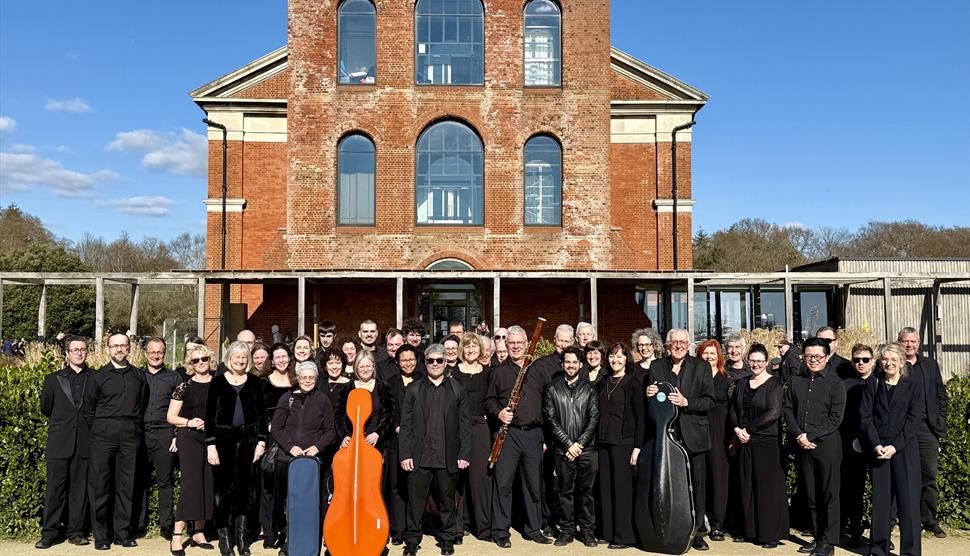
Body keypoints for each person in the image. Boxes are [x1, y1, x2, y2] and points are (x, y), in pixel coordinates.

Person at [399, 344, 472, 556]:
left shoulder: (457, 388)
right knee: (415, 501)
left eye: (439, 360)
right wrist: (405, 454)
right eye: (431, 360)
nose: (435, 364)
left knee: (447, 501)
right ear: (425, 362)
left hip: (447, 456)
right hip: (419, 456)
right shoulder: (414, 388)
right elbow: (406, 426)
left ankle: (447, 538)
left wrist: (464, 454)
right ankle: (412, 539)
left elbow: (465, 425)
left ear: (446, 362)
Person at [646, 328, 714, 551]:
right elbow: (653, 403)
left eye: (682, 342)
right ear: (667, 345)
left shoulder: (702, 366)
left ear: (688, 345)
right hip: (665, 437)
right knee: (668, 484)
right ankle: (672, 528)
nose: (678, 346)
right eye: (674, 342)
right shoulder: (656, 367)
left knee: (697, 484)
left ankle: (697, 533)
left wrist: (687, 402)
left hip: (693, 436)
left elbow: (709, 402)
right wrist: (648, 394)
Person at [484, 325, 552, 548]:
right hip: (509, 435)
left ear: (526, 344)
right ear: (505, 344)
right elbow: (489, 401)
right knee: (503, 484)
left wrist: (545, 438)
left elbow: (547, 403)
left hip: (533, 435)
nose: (515, 346)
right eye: (511, 343)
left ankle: (533, 528)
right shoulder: (498, 372)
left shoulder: (538, 369)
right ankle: (500, 530)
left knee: (533, 485)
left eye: (519, 343)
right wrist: (499, 412)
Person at [83, 332, 149, 550]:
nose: (120, 349)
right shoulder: (97, 377)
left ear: (129, 348)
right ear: (108, 349)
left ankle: (122, 533)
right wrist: (103, 429)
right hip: (103, 434)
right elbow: (88, 410)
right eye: (115, 346)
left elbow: (143, 403)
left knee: (127, 486)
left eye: (123, 345)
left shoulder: (139, 376)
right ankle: (101, 536)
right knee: (100, 486)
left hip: (131, 433)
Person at [782, 337, 846, 556]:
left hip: (826, 445)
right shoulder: (795, 380)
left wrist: (812, 435)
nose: (813, 360)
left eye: (818, 356)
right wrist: (799, 435)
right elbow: (787, 409)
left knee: (829, 493)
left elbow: (835, 417)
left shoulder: (835, 383)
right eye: (809, 356)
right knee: (810, 493)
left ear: (827, 357)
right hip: (802, 444)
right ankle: (817, 536)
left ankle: (828, 542)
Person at [861, 342, 924, 556]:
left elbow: (914, 419)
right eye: (885, 359)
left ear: (902, 362)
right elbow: (866, 417)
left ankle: (911, 551)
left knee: (908, 503)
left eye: (894, 359)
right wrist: (877, 444)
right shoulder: (873, 383)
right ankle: (878, 549)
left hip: (904, 449)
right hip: (878, 449)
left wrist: (895, 446)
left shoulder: (913, 384)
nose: (889, 363)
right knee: (880, 502)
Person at [206, 341, 267, 556]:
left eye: (244, 357)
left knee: (244, 492)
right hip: (222, 441)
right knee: (222, 493)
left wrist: (261, 441)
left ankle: (241, 541)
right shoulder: (217, 383)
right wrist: (210, 444)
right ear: (229, 358)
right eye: (236, 357)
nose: (240, 361)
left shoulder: (255, 382)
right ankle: (224, 541)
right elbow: (209, 416)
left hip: (248, 441)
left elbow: (261, 415)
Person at [272, 361, 337, 556]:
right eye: (303, 377)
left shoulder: (323, 400)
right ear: (297, 378)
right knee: (290, 504)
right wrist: (291, 447)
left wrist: (316, 447)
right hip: (289, 460)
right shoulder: (287, 398)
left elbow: (330, 431)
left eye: (311, 377)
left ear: (316, 379)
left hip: (315, 462)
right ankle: (289, 544)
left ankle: (314, 544)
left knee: (316, 505)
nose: (307, 381)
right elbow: (276, 428)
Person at [729, 344, 788, 548]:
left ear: (766, 362)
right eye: (752, 360)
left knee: (766, 489)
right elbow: (734, 410)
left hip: (765, 442)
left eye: (760, 361)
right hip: (744, 441)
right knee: (746, 486)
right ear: (748, 361)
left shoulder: (774, 384)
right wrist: (737, 429)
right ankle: (749, 530)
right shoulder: (741, 383)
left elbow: (773, 413)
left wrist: (749, 430)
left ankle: (770, 534)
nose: (755, 364)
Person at [37, 335, 93, 549]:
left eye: (83, 349)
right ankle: (49, 533)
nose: (79, 352)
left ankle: (76, 532)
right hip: (59, 442)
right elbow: (46, 408)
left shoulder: (95, 378)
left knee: (80, 491)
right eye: (75, 349)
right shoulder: (53, 379)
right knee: (54, 490)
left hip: (85, 443)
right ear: (67, 353)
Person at [543, 346, 599, 547]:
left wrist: (580, 444)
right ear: (562, 364)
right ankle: (566, 531)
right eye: (568, 362)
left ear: (581, 364)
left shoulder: (590, 389)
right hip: (562, 450)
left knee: (586, 492)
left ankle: (587, 532)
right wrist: (568, 444)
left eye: (575, 362)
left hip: (587, 450)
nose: (571, 365)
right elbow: (550, 419)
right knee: (564, 492)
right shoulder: (552, 389)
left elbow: (594, 418)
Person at [898, 326, 948, 538]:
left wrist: (940, 422)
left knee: (929, 476)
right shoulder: (893, 364)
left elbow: (940, 395)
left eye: (913, 342)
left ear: (918, 344)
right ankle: (904, 520)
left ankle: (929, 520)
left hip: (927, 429)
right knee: (902, 477)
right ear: (899, 342)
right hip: (901, 430)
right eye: (905, 341)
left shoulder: (929, 365)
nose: (909, 345)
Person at [167, 345, 217, 556]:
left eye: (204, 359)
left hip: (213, 440)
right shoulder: (183, 387)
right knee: (190, 485)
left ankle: (198, 531)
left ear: (210, 360)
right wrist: (189, 422)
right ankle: (177, 535)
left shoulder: (219, 385)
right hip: (189, 439)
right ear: (190, 364)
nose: (200, 363)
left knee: (208, 484)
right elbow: (170, 417)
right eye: (195, 360)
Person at [135, 337, 183, 540]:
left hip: (164, 433)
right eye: (152, 352)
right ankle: (138, 524)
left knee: (165, 481)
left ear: (164, 353)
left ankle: (165, 525)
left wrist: (176, 436)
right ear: (146, 353)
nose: (155, 355)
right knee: (139, 481)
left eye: (160, 352)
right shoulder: (136, 376)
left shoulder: (174, 378)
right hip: (140, 434)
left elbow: (183, 409)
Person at [597, 342, 643, 549]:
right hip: (604, 441)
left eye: (620, 356)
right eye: (612, 356)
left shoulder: (633, 383)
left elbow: (641, 418)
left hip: (624, 442)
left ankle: (624, 536)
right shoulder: (603, 381)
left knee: (622, 490)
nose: (615, 360)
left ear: (627, 359)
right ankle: (607, 532)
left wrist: (637, 447)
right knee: (605, 488)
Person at [453, 333, 493, 540]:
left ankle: (483, 527)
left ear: (480, 350)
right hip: (457, 427)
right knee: (458, 479)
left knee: (479, 478)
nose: (470, 350)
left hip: (480, 426)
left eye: (474, 346)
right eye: (466, 346)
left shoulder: (488, 372)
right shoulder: (453, 373)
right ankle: (459, 525)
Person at [259, 343, 295, 551]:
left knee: (289, 487)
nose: (281, 360)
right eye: (277, 357)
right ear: (271, 360)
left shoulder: (297, 380)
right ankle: (269, 531)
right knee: (270, 488)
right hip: (272, 439)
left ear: (289, 359)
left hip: (292, 440)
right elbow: (258, 410)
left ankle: (285, 529)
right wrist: (268, 426)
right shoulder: (264, 383)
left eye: (284, 356)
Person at [385, 344, 422, 545]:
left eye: (411, 359)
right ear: (398, 362)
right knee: (396, 486)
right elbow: (386, 411)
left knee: (415, 487)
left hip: (419, 443)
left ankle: (413, 528)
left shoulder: (424, 381)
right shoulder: (390, 383)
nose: (407, 363)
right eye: (403, 359)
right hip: (396, 441)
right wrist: (396, 427)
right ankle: (398, 529)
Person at [839, 344, 875, 547]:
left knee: (881, 490)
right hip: (852, 445)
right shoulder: (846, 384)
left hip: (876, 444)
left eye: (865, 359)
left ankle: (880, 533)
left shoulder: (880, 382)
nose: (860, 363)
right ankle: (854, 531)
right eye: (856, 360)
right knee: (854, 490)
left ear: (872, 360)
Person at [696, 339, 729, 542]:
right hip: (699, 429)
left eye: (712, 353)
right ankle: (701, 520)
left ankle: (718, 523)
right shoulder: (696, 377)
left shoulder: (727, 378)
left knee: (718, 477)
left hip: (720, 431)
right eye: (705, 353)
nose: (709, 357)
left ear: (719, 356)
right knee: (701, 477)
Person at [314, 347, 351, 527]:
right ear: (325, 365)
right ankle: (324, 522)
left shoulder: (350, 385)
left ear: (343, 364)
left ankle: (339, 522)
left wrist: (346, 436)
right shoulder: (319, 384)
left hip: (342, 441)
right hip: (320, 442)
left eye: (338, 362)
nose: (334, 366)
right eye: (331, 363)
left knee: (341, 483)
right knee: (323, 483)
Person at [335, 352, 395, 453]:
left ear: (373, 367)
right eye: (361, 366)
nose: (365, 369)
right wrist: (345, 436)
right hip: (352, 442)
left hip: (377, 443)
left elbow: (389, 413)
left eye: (368, 366)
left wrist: (377, 434)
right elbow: (339, 415)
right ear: (356, 367)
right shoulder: (347, 388)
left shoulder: (383, 386)